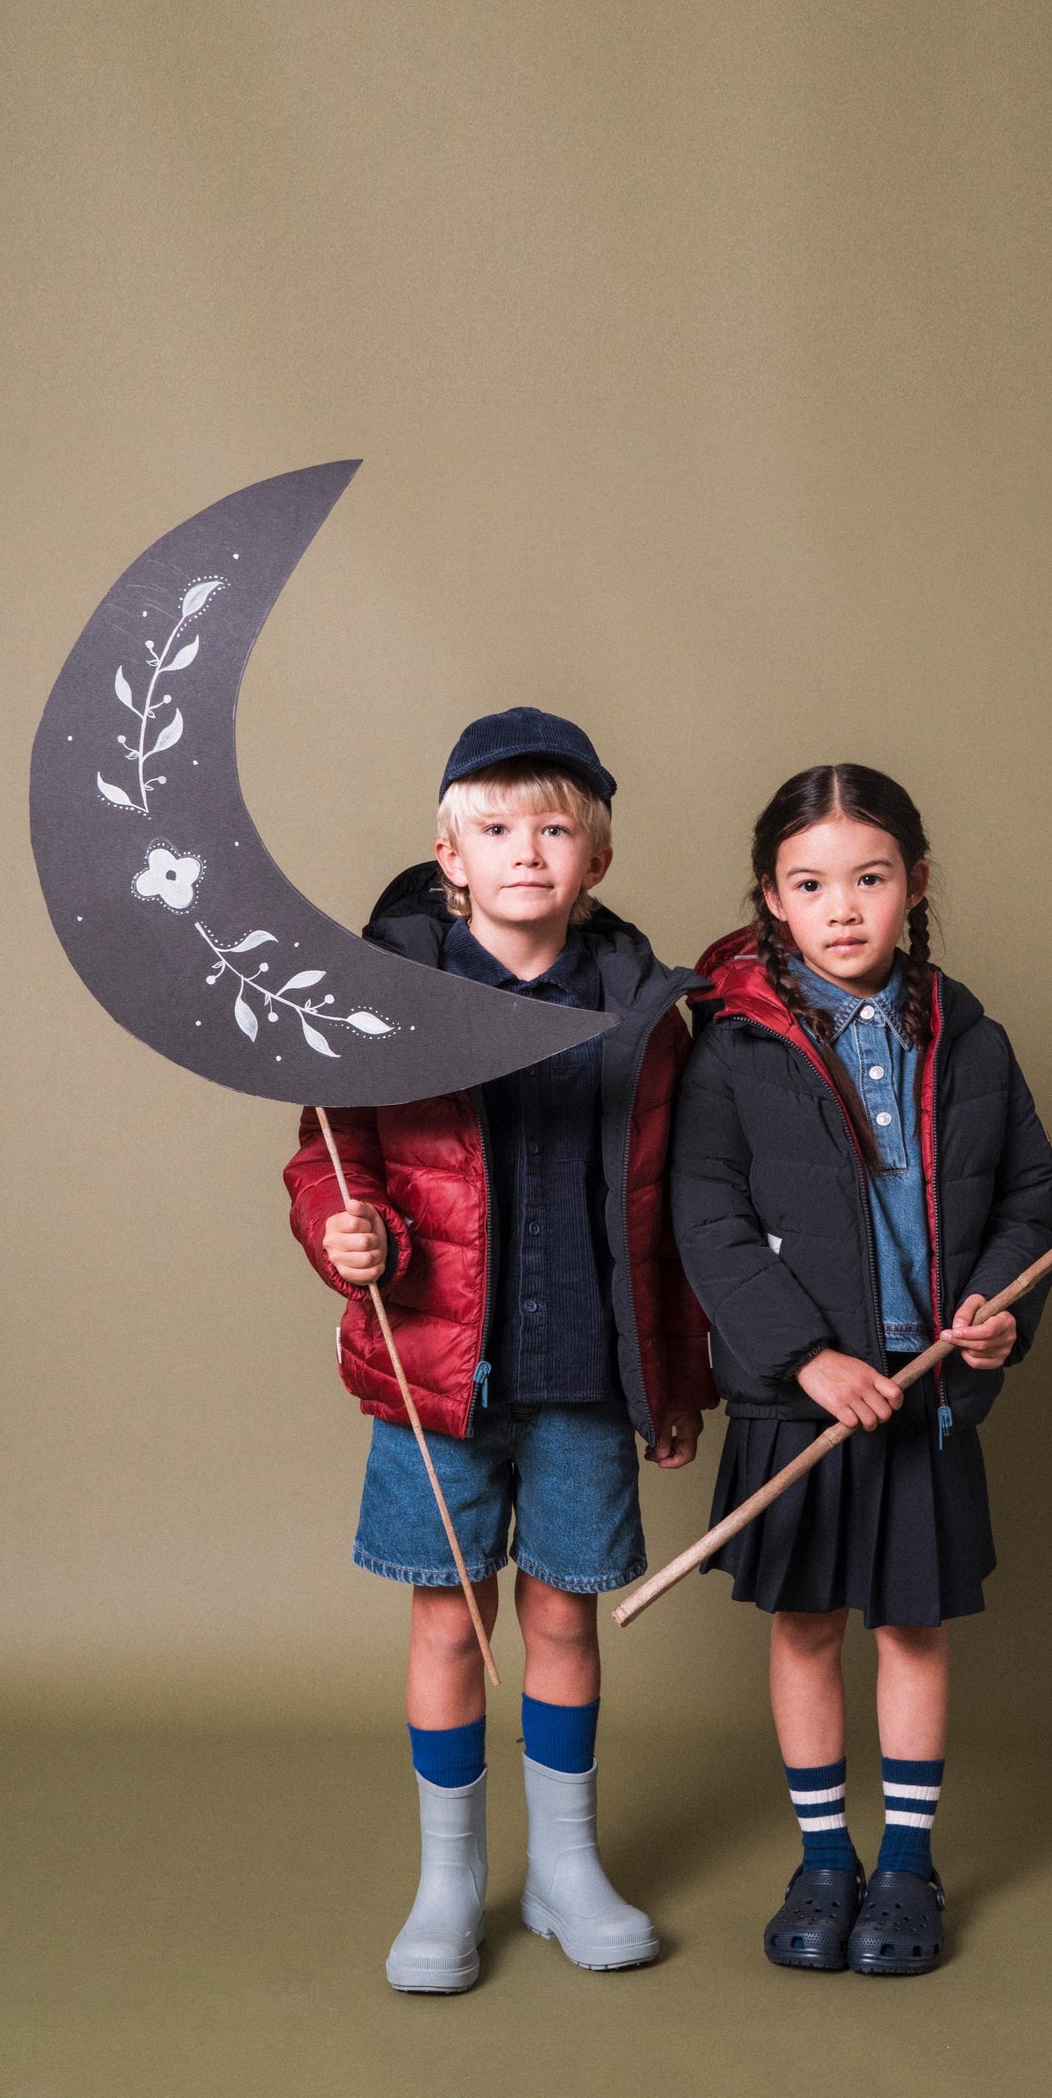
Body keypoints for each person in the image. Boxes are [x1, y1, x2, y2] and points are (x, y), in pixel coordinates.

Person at [284, 707, 714, 1993]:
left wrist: (677, 1375)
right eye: (495, 829)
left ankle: (569, 1867)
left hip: (584, 1371)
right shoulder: (381, 1008)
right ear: (449, 857)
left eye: (555, 830)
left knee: (564, 1620)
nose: (526, 851)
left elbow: (672, 1208)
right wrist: (341, 1229)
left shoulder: (643, 1014)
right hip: (436, 1375)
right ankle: (451, 1880)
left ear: (596, 859)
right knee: (448, 1624)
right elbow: (330, 1156)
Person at [670, 763, 1052, 1976]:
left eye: (869, 878)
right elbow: (709, 1221)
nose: (841, 908)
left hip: (923, 1386)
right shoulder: (732, 1050)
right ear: (770, 898)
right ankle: (824, 1858)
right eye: (809, 884)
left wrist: (999, 1306)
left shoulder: (972, 1040)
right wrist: (806, 1357)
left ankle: (903, 1865)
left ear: (916, 884)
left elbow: (1029, 1193)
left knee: (912, 1625)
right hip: (802, 1397)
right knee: (804, 1624)